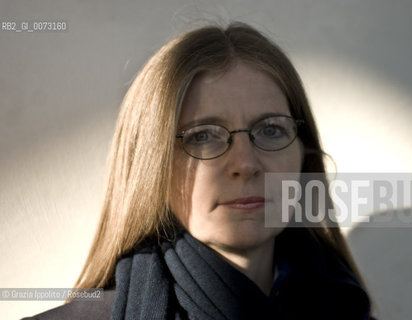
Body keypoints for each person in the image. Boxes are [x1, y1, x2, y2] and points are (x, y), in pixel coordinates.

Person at [23, 22, 375, 319]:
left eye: (271, 130)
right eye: (202, 136)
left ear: (304, 155)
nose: (245, 164)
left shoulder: (349, 308)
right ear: (152, 166)